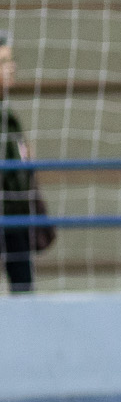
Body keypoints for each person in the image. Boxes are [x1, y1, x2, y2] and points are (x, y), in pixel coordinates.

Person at [0, 33, 53, 294]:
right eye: (3, 61)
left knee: (23, 291)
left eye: (11, 60)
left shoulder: (9, 117)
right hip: (6, 215)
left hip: (14, 219)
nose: (12, 67)